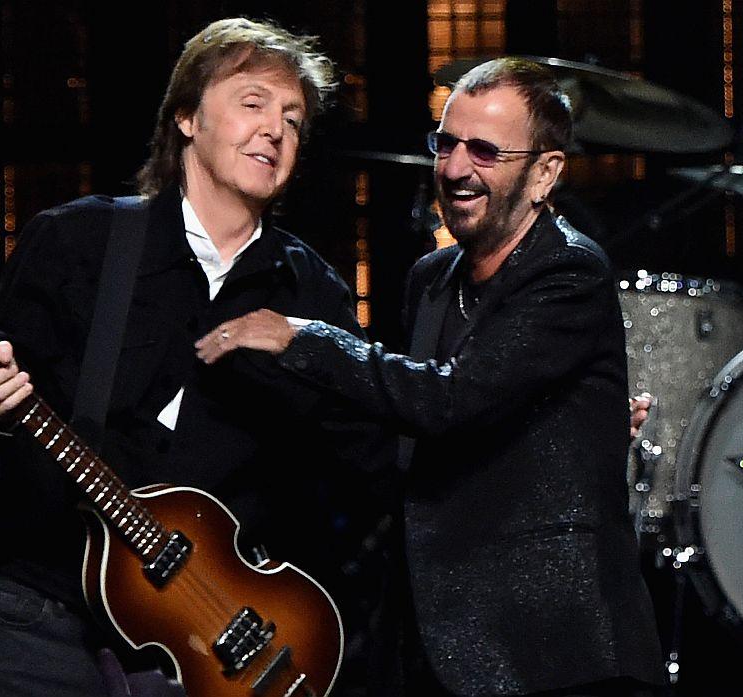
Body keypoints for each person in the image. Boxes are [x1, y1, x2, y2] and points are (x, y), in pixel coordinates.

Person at [0, 17, 380, 696]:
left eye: (293, 119)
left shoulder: (312, 293)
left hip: (204, 646)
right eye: (253, 103)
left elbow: (353, 471)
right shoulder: (78, 242)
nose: (275, 130)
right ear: (187, 118)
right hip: (33, 615)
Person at [196, 57, 664, 697]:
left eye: (485, 151)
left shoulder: (568, 272)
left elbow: (449, 400)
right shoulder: (432, 280)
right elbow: (410, 429)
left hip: (552, 650)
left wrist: (307, 339)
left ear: (544, 173)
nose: (454, 168)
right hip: (439, 639)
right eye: (446, 144)